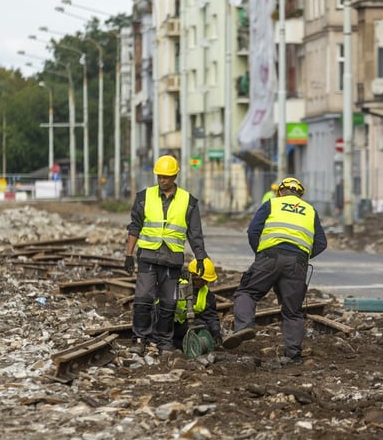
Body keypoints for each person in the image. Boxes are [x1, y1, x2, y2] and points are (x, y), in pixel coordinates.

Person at [223, 177, 327, 364]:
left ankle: (243, 327)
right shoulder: (310, 211)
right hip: (297, 263)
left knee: (247, 292)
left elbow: (253, 231)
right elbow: (321, 243)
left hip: (269, 257)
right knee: (293, 310)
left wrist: (260, 254)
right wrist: (302, 256)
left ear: (280, 192)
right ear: (300, 195)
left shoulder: (272, 204)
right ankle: (293, 353)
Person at [125, 155, 210, 355]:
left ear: (175, 176)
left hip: (172, 260)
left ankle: (163, 341)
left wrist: (200, 257)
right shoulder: (144, 197)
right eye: (159, 176)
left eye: (166, 177)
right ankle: (140, 338)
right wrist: (128, 254)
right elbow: (135, 226)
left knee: (168, 303)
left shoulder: (188, 201)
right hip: (147, 256)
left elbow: (194, 233)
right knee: (143, 299)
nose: (162, 180)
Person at [173, 257, 223, 351]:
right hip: (165, 324)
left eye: (206, 281)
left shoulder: (207, 295)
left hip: (183, 326)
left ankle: (186, 345)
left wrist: (216, 331)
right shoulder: (176, 284)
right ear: (193, 275)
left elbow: (211, 316)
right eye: (203, 280)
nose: (204, 283)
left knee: (201, 325)